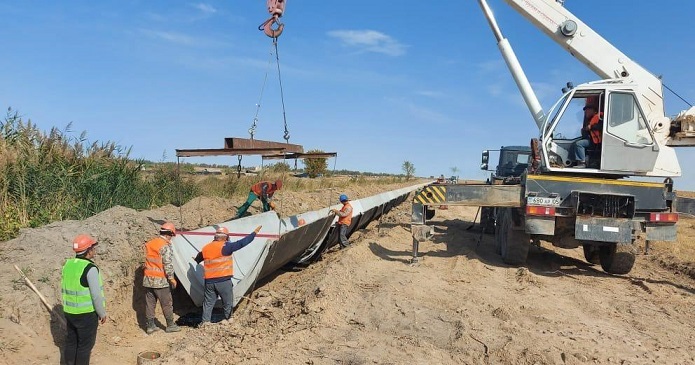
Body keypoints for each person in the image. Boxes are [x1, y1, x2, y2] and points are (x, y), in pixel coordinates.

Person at [194, 225, 262, 326]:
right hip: (223, 281)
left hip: (209, 281)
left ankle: (205, 322)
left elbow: (198, 258)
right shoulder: (225, 247)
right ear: (225, 237)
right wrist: (254, 233)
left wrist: (196, 260)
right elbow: (242, 243)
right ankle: (228, 319)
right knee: (227, 301)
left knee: (208, 302)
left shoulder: (206, 248)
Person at [61, 234, 107, 365]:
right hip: (86, 314)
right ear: (88, 250)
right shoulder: (90, 268)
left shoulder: (67, 265)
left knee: (71, 343)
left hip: (69, 312)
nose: (94, 250)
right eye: (93, 247)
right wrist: (102, 313)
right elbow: (96, 295)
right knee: (84, 347)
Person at [142, 222, 180, 334]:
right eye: (172, 236)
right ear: (169, 234)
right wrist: (171, 278)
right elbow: (167, 263)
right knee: (166, 303)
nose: (171, 238)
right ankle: (170, 325)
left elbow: (143, 260)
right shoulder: (165, 246)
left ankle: (150, 326)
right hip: (160, 281)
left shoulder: (150, 243)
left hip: (148, 279)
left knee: (150, 304)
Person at [571, 98, 603, 168]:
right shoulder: (590, 119)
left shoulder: (600, 117)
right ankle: (575, 161)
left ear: (594, 111)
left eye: (588, 110)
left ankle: (582, 163)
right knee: (574, 143)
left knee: (579, 144)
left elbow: (602, 126)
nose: (586, 112)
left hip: (596, 142)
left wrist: (591, 127)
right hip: (591, 140)